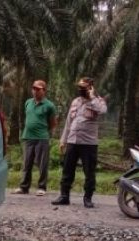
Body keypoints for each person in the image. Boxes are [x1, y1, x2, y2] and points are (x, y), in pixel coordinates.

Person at [52, 77, 107, 208]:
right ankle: (64, 196)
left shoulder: (98, 101)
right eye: (79, 87)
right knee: (67, 170)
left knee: (89, 172)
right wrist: (63, 140)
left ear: (90, 87)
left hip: (88, 143)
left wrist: (92, 97)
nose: (80, 89)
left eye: (83, 87)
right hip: (72, 141)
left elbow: (103, 111)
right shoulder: (75, 101)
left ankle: (88, 198)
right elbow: (68, 122)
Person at [12, 80, 57, 196]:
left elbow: (52, 123)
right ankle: (24, 187)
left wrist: (45, 133)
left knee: (42, 164)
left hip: (42, 138)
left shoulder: (49, 105)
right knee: (26, 163)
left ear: (44, 90)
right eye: (34, 89)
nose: (35, 91)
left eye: (38, 89)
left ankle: (41, 187)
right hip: (28, 137)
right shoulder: (28, 103)